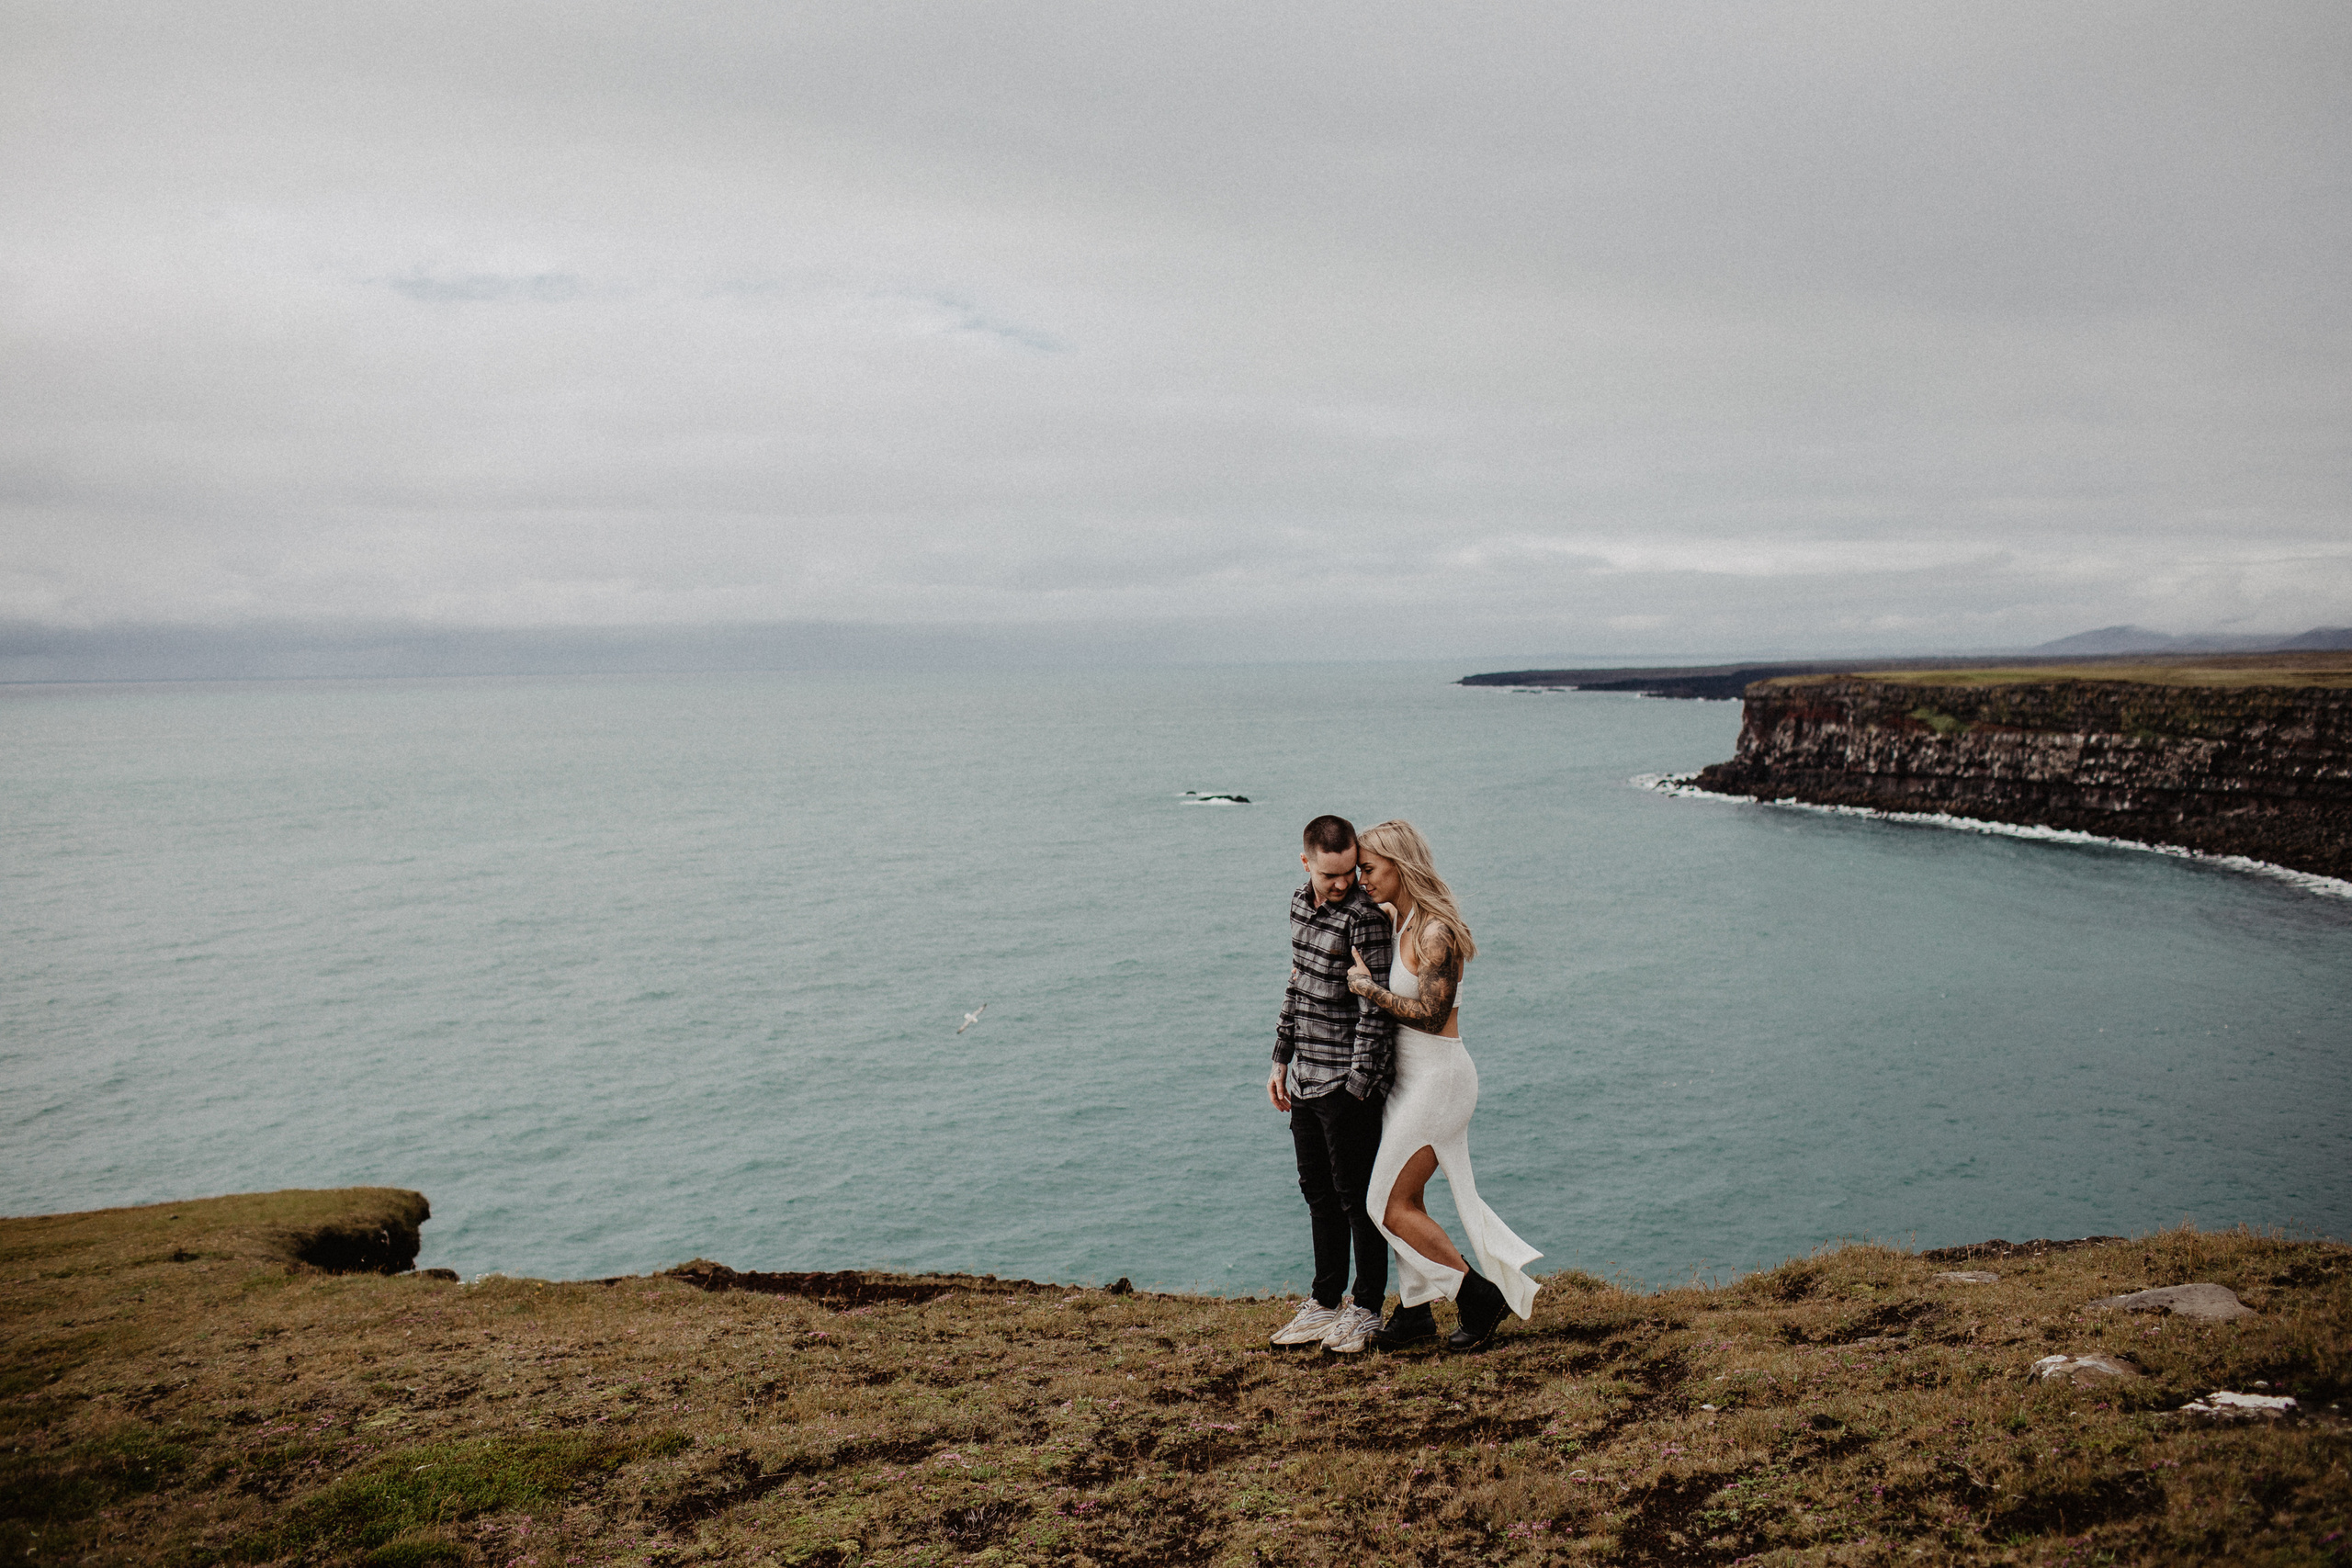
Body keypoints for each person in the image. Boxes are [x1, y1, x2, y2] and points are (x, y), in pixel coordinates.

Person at [1346, 819, 1541, 1351]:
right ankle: (1414, 1313)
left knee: (1383, 1204)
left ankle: (1477, 1296)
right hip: (1409, 1083)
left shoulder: (1436, 932)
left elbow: (1432, 1015)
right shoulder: (1399, 919)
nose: (1362, 878)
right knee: (1409, 1197)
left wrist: (1368, 989)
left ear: (1400, 866)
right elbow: (1337, 900)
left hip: (1440, 1081)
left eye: (1369, 868)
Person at [1267, 814, 1396, 1355]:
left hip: (1346, 1085)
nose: (1343, 884)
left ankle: (1366, 1308)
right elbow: (1296, 985)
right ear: (1306, 864)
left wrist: (1358, 1088)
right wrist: (1280, 1059)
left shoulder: (1364, 919)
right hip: (1305, 1079)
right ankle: (1324, 1304)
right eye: (1330, 875)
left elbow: (1377, 1009)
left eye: (1348, 872)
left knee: (1357, 1199)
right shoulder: (1298, 904)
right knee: (1317, 1194)